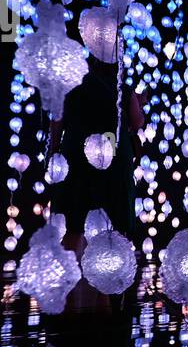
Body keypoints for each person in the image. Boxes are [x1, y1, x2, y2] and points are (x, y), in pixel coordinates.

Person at [51, 53, 145, 308]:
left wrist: (54, 148)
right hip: (112, 157)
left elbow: (57, 120)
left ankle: (69, 290)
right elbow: (137, 123)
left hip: (76, 155)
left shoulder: (72, 86)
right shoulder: (122, 89)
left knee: (73, 221)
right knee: (108, 224)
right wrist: (138, 103)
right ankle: (103, 295)